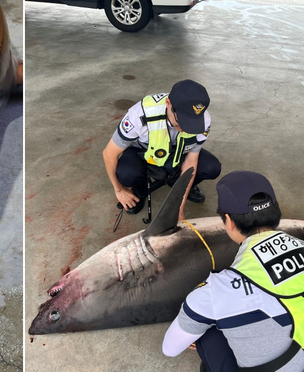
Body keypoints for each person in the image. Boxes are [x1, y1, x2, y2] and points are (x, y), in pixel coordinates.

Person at [162, 171, 304, 371]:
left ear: (228, 220)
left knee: (206, 330)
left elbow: (170, 349)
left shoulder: (215, 290)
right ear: (276, 212)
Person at [102, 79, 221, 220]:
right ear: (168, 104)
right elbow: (109, 154)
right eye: (181, 121)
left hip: (177, 151)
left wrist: (179, 205)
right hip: (143, 151)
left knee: (211, 167)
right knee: (127, 174)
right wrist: (119, 190)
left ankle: (177, 184)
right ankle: (138, 189)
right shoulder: (140, 114)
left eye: (192, 124)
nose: (185, 128)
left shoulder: (204, 120)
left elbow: (191, 160)